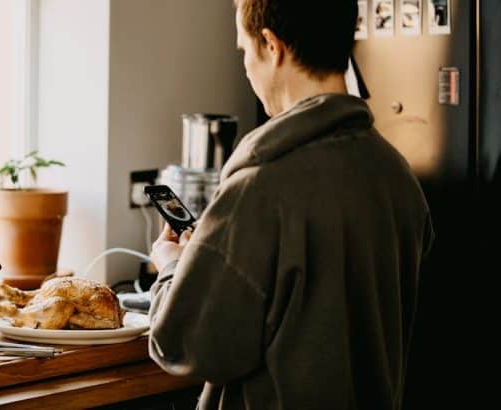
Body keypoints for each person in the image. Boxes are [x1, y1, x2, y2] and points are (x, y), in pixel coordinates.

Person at [147, 0, 434, 409]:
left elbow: (187, 344)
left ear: (271, 45)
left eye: (245, 50)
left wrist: (173, 267)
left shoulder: (261, 185)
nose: (246, 65)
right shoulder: (396, 175)